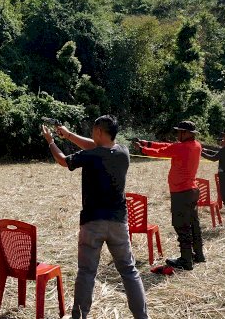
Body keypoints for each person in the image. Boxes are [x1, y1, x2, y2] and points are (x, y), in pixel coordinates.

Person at [42, 115, 148, 319]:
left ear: (99, 131)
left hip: (92, 223)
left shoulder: (91, 156)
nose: (92, 134)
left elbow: (64, 161)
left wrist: (51, 141)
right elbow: (97, 146)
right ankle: (142, 317)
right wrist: (69, 135)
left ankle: (79, 316)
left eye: (93, 130)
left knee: (86, 273)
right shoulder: (123, 152)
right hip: (119, 222)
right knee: (129, 271)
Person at [134, 121, 203, 271]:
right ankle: (198, 255)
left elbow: (162, 151)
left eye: (179, 132)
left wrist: (142, 149)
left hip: (181, 192)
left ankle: (186, 261)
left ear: (186, 133)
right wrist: (148, 143)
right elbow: (166, 146)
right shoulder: (196, 145)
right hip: (191, 190)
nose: (177, 135)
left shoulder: (181, 147)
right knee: (193, 224)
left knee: (181, 226)